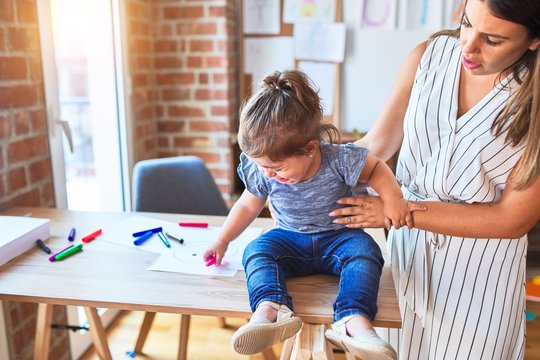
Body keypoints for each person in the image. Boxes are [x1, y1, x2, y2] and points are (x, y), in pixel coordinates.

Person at [329, 0, 540, 359]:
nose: (469, 46)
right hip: (405, 263)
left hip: (479, 279)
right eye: (467, 23)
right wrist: (308, 171)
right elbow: (375, 146)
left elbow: (513, 218)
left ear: (533, 40)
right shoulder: (428, 57)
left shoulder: (532, 99)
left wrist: (398, 211)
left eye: (492, 40)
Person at [204, 69, 413, 359]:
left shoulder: (339, 159)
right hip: (290, 239)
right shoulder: (264, 169)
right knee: (257, 250)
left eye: (277, 169)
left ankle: (352, 320)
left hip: (340, 239)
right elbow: (247, 205)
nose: (269, 175)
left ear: (310, 149)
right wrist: (223, 239)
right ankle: (270, 310)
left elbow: (376, 168)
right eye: (262, 167)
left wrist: (393, 201)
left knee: (366, 251)